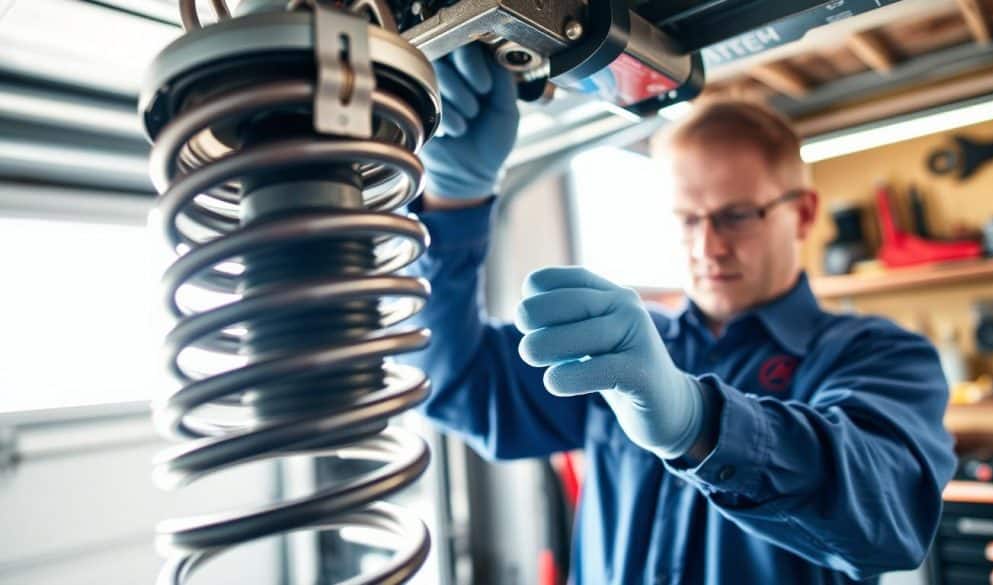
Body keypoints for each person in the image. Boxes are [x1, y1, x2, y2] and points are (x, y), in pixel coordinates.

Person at [402, 43, 957, 585]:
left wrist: (702, 424)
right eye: (688, 220)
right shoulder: (626, 349)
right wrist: (455, 201)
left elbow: (891, 522)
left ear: (804, 213)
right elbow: (455, 385)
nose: (708, 247)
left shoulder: (876, 354)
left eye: (736, 216)